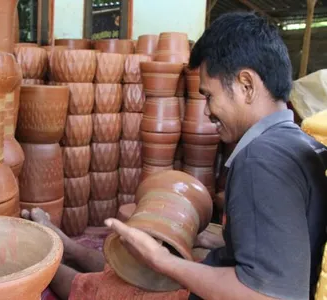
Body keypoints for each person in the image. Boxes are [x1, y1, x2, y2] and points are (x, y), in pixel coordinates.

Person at [24, 11, 327, 300]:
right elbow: (289, 245)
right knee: (137, 266)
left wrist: (162, 262)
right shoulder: (295, 142)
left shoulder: (261, 159)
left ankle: (42, 265)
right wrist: (224, 239)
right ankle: (67, 248)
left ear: (246, 85)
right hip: (252, 273)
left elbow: (268, 295)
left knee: (107, 288)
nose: (207, 110)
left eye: (209, 96)